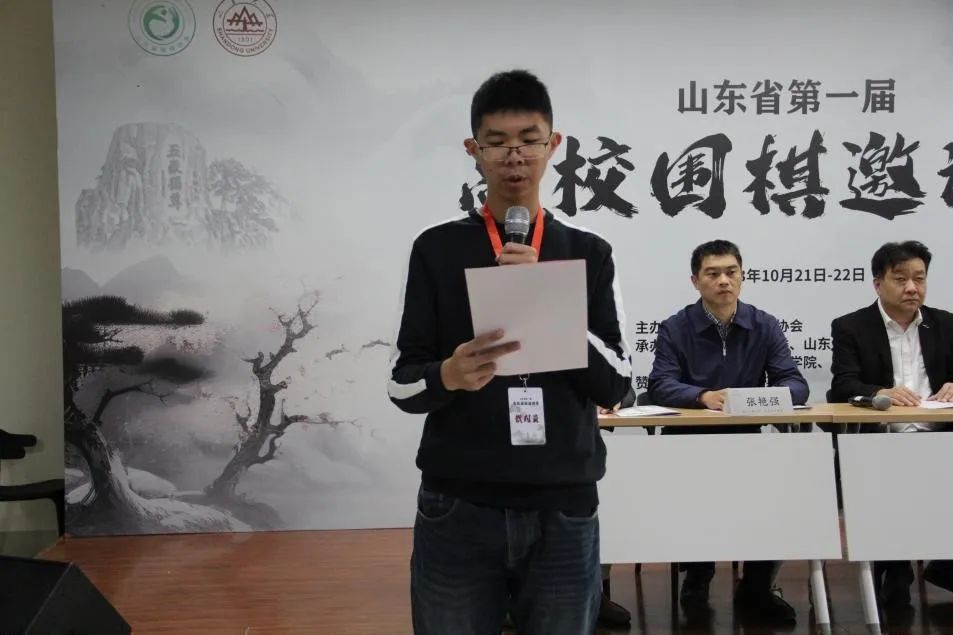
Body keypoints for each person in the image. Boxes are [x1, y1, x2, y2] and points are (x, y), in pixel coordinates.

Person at [388, 69, 632, 635]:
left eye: (528, 139)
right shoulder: (436, 249)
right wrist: (447, 375)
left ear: (554, 144)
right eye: (496, 142)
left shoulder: (589, 252)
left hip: (563, 506)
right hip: (458, 504)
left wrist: (547, 298)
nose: (513, 156)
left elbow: (619, 383)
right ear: (473, 150)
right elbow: (401, 383)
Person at [647, 239, 807, 626]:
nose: (723, 281)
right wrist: (702, 396)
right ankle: (697, 575)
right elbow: (660, 384)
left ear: (742, 276)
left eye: (731, 272)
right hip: (689, 444)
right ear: (695, 281)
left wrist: (760, 399)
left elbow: (795, 383)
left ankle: (756, 586)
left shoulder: (763, 324)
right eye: (713, 273)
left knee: (777, 493)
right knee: (695, 496)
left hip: (748, 440)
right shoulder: (676, 327)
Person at [829, 240, 953, 610]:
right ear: (878, 283)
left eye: (919, 278)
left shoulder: (946, 324)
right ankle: (895, 571)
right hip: (882, 440)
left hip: (941, 439)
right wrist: (879, 392)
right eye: (901, 279)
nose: (912, 287)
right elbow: (843, 385)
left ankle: (944, 564)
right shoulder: (851, 327)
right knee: (889, 473)